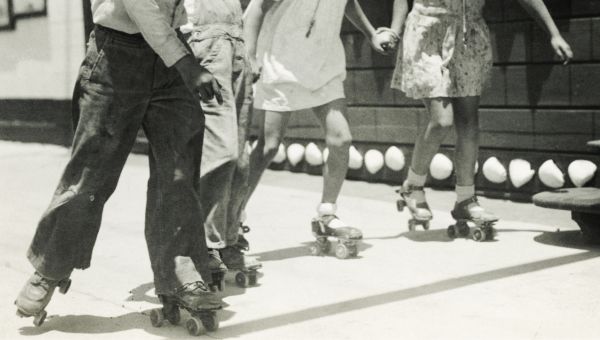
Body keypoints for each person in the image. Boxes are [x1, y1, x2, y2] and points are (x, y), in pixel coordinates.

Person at [15, 0, 223, 327]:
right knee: (90, 177)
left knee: (178, 177)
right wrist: (187, 64)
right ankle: (49, 269)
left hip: (171, 54)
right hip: (117, 54)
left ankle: (182, 274)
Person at [380, 0, 573, 231]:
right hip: (426, 32)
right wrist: (394, 30)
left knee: (469, 122)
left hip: (468, 34)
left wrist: (554, 33)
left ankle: (465, 199)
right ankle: (413, 185)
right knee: (442, 120)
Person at [241, 0, 389, 257]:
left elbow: (349, 4)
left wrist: (372, 34)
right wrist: (250, 55)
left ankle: (326, 215)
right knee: (269, 146)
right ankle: (232, 216)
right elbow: (256, 9)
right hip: (281, 63)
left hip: (324, 64)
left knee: (341, 140)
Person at [182, 0, 261, 289]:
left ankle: (228, 240)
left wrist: (248, 49)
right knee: (221, 152)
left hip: (236, 44)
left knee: (240, 162)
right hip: (203, 43)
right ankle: (203, 246)